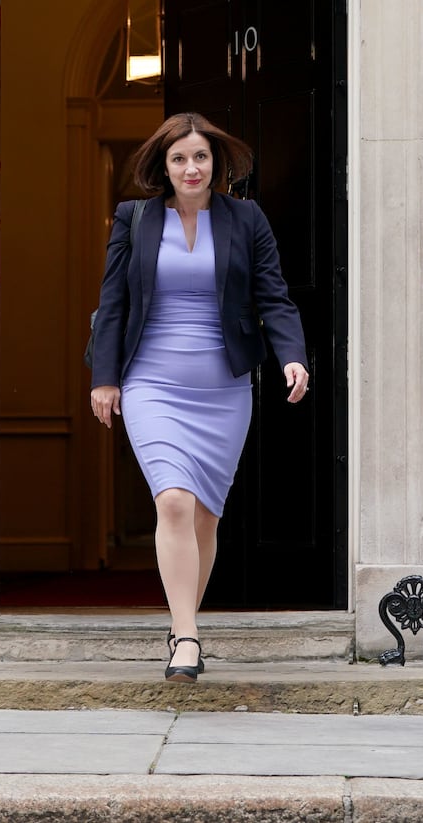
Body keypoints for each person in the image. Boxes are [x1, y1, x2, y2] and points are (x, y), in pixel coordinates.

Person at [89, 112, 309, 682]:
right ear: (163, 166)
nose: (192, 167)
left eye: (201, 157)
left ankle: (181, 619)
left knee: (206, 518)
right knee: (174, 503)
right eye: (180, 158)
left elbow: (274, 296)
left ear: (218, 162)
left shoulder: (246, 218)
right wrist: (104, 378)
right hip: (152, 382)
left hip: (223, 387)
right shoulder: (134, 220)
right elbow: (112, 302)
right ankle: (186, 637)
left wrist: (292, 355)